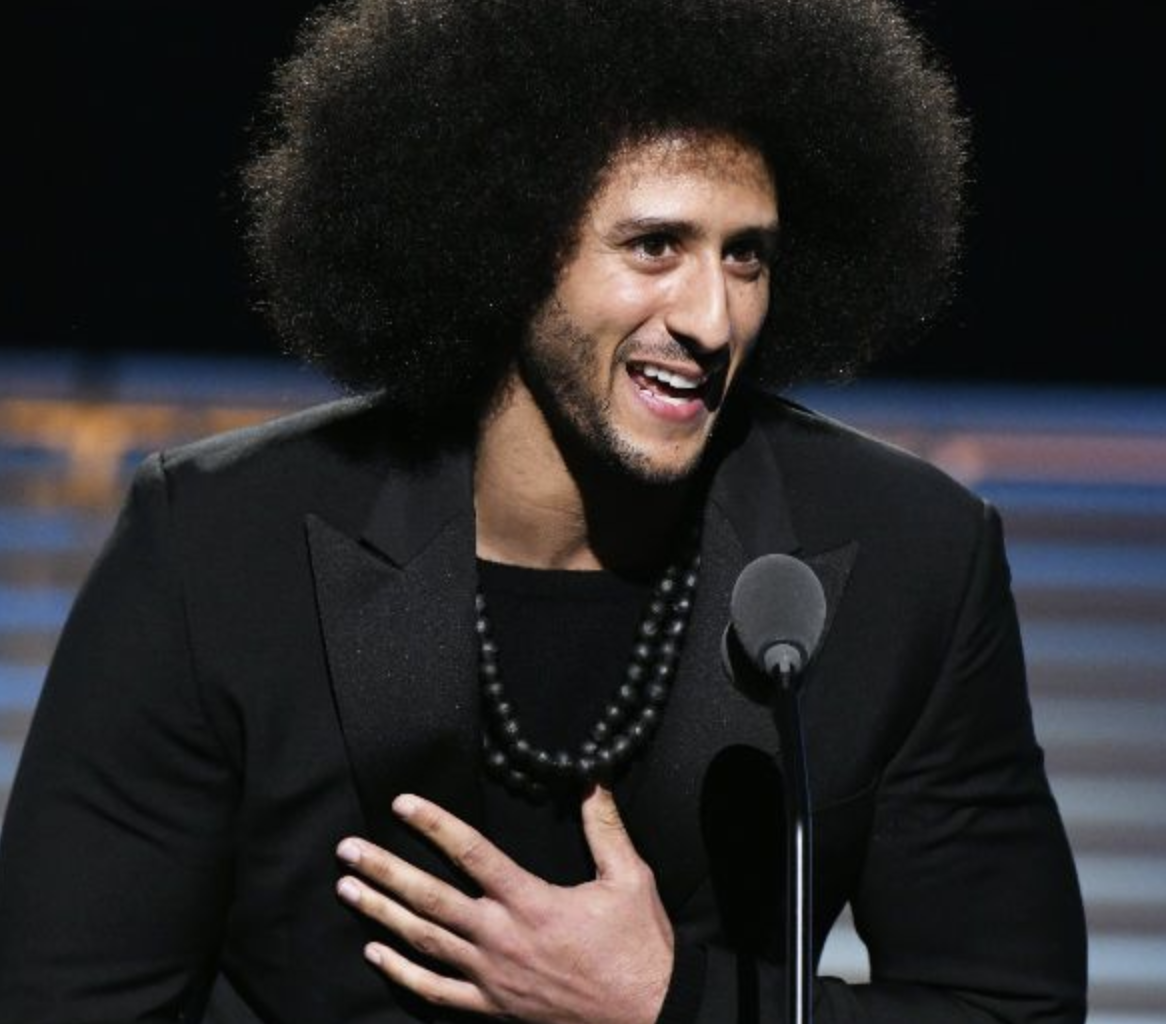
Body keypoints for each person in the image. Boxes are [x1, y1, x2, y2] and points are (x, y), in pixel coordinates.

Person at [0, 0, 1087, 1021]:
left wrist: (666, 1001)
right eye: (655, 246)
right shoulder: (218, 545)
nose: (712, 319)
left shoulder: (913, 559)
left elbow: (1007, 1007)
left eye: (745, 256)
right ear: (509, 238)